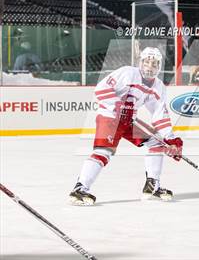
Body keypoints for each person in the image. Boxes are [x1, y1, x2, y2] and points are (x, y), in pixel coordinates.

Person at [69, 47, 183, 205]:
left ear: (159, 66)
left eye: (154, 63)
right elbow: (101, 90)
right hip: (110, 117)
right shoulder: (127, 73)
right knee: (103, 151)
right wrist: (118, 104)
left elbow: (160, 115)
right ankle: (80, 188)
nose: (150, 66)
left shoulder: (158, 87)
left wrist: (171, 139)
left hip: (129, 120)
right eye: (147, 62)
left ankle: (152, 186)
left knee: (157, 143)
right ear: (140, 62)